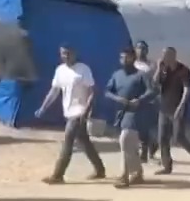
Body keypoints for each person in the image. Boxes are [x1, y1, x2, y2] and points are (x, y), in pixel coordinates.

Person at [39, 45, 105, 184]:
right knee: (84, 141)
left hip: (79, 111)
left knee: (68, 140)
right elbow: (54, 91)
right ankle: (100, 169)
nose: (66, 56)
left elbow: (92, 91)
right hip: (68, 111)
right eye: (63, 53)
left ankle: (58, 175)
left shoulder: (83, 69)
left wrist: (86, 111)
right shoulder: (60, 70)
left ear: (75, 53)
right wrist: (43, 107)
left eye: (68, 53)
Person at [103, 46, 152, 188]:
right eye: (122, 57)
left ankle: (124, 176)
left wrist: (139, 100)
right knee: (128, 145)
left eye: (127, 57)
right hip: (121, 112)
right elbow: (107, 92)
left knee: (125, 140)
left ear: (133, 59)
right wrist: (118, 99)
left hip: (137, 113)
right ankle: (136, 173)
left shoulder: (141, 75)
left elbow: (153, 90)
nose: (124, 60)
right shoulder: (117, 75)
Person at [152, 46, 190, 173]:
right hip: (164, 108)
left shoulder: (183, 69)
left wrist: (181, 106)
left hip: (178, 107)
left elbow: (187, 89)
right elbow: (155, 83)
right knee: (162, 138)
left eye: (167, 55)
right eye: (163, 55)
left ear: (173, 56)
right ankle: (166, 166)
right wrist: (158, 68)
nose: (164, 58)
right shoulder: (163, 69)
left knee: (179, 138)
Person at [131, 40, 157, 162]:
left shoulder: (152, 65)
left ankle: (149, 148)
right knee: (139, 127)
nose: (140, 51)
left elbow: (156, 81)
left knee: (148, 127)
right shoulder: (133, 65)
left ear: (147, 50)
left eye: (143, 48)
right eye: (138, 48)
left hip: (150, 98)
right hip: (137, 98)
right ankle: (146, 150)